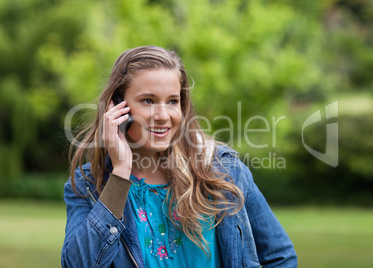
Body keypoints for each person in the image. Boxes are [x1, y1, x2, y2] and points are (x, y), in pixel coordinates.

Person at [61, 45, 297, 268]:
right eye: (148, 101)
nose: (163, 115)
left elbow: (280, 257)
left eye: (173, 101)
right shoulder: (88, 184)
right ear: (117, 107)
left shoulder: (223, 169)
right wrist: (121, 172)